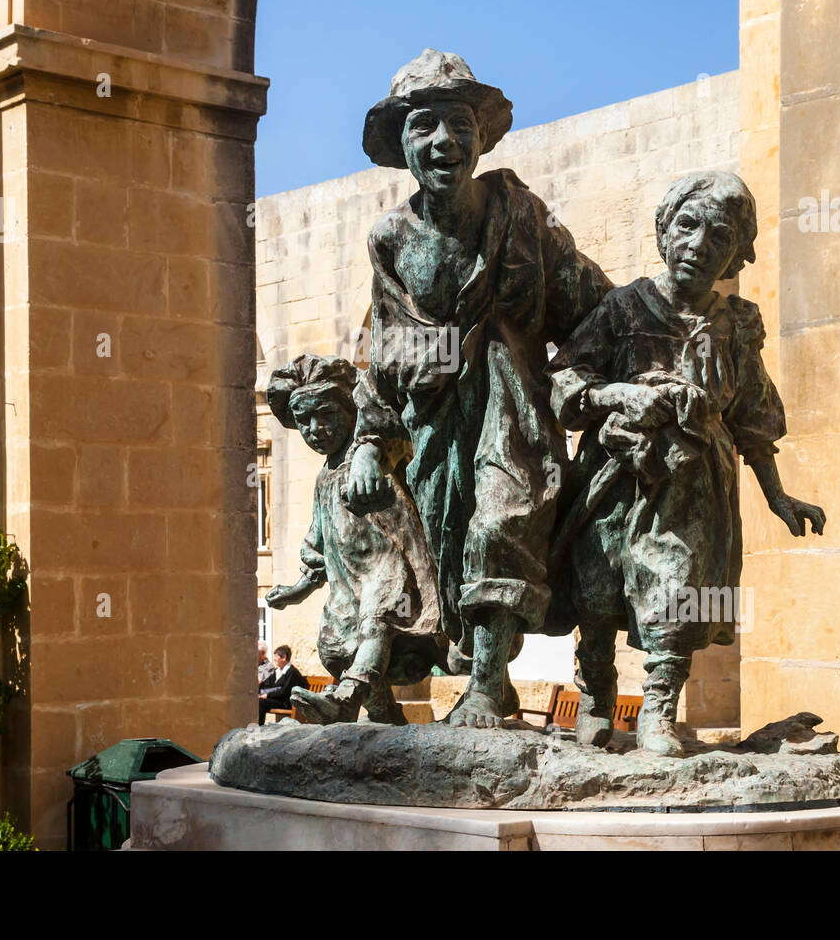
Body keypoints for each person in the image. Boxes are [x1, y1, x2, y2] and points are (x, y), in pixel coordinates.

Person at [346, 49, 612, 728]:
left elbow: (591, 306)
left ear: (480, 135)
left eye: (458, 123)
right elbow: (382, 347)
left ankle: (489, 689)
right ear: (403, 143)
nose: (443, 142)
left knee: (503, 522)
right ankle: (462, 676)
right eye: (424, 126)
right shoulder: (392, 240)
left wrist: (596, 383)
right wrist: (373, 443)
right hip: (438, 427)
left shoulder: (522, 214)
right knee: (448, 548)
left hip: (515, 412)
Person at [548, 171, 825, 755]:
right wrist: (617, 396)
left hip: (694, 486)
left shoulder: (736, 326)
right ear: (664, 231)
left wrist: (779, 496)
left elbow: (752, 416)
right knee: (596, 592)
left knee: (675, 591)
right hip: (612, 478)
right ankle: (596, 701)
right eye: (688, 225)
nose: (700, 243)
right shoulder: (622, 308)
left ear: (735, 254)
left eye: (720, 235)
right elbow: (566, 381)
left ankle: (658, 712)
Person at [264, 354, 444, 725]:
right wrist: (299, 587)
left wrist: (372, 455)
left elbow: (401, 439)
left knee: (375, 623)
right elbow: (318, 544)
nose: (315, 429)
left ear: (351, 410)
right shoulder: (323, 478)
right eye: (304, 421)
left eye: (326, 415)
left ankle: (347, 697)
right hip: (348, 585)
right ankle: (384, 714)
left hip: (389, 568)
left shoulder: (371, 456)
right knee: (334, 646)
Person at [258, 645, 307, 725]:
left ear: (284, 657)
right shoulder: (277, 671)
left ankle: (258, 728)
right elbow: (269, 687)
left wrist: (267, 695)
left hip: (286, 703)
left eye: (276, 657)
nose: (274, 659)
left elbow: (284, 692)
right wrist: (261, 693)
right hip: (277, 700)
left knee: (260, 702)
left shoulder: (292, 672)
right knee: (256, 700)